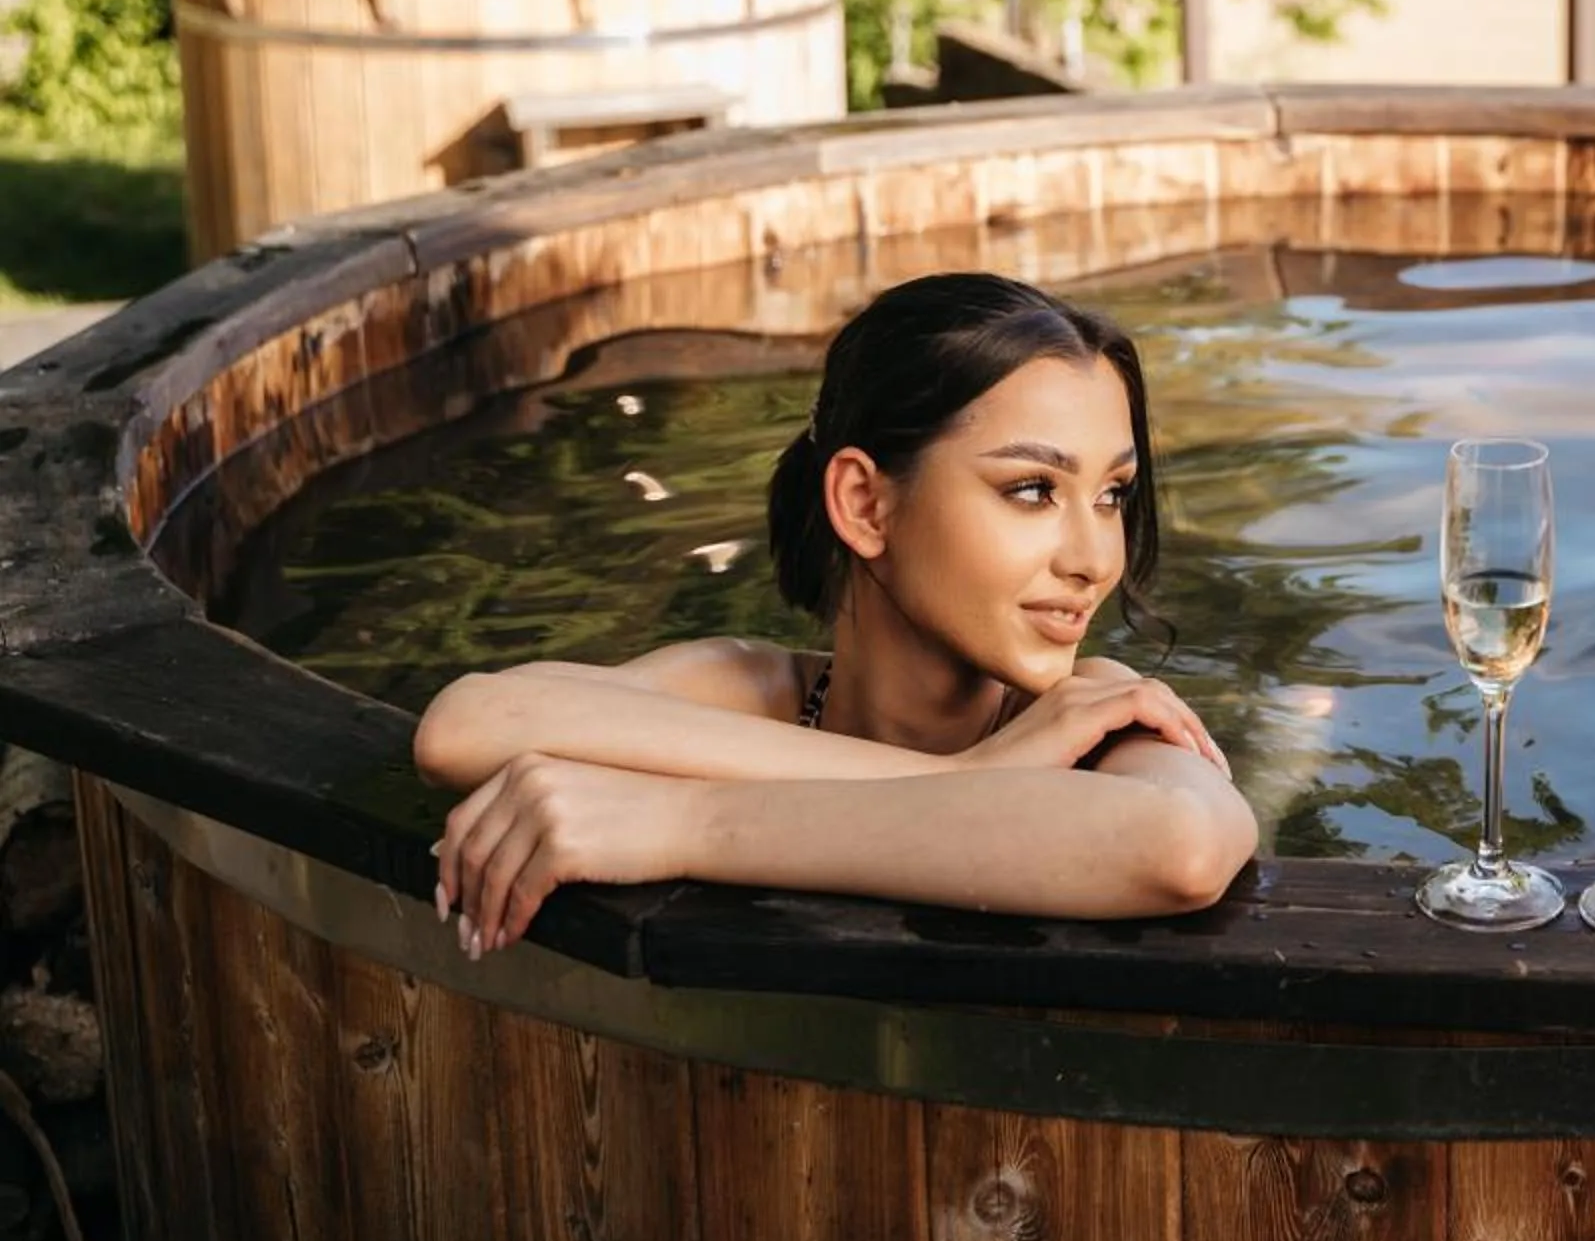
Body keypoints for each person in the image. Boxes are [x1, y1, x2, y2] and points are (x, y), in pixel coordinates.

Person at [415, 273, 1258, 958]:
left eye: (1112, 495)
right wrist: (959, 781)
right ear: (865, 505)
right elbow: (465, 727)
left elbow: (1178, 847)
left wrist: (685, 822)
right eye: (1033, 490)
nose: (1095, 559)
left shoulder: (1097, 715)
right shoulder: (749, 687)